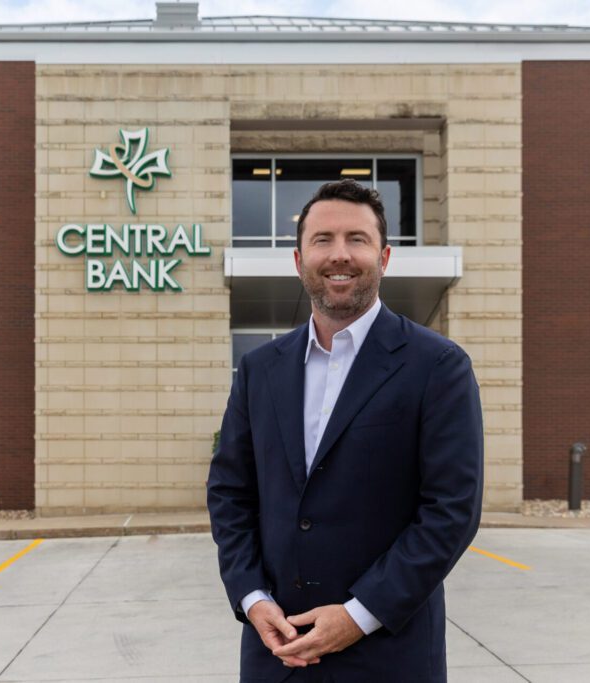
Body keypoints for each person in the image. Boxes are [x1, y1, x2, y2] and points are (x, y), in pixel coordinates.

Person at [207, 179, 483, 682]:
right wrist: (251, 597)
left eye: (357, 239)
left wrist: (359, 615)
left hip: (388, 655)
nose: (340, 254)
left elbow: (451, 510)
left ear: (384, 257)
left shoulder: (438, 366)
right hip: (277, 651)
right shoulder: (259, 370)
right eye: (323, 240)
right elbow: (230, 492)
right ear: (299, 261)